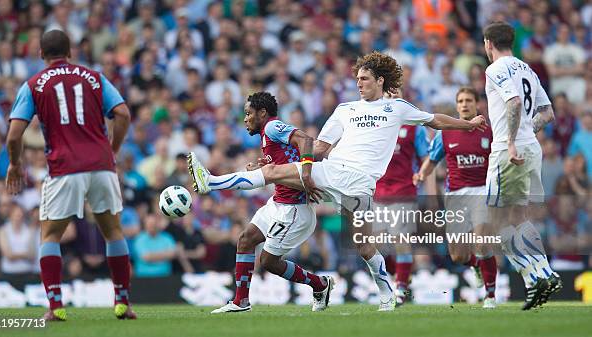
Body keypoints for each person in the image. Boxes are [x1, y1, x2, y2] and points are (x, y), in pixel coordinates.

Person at [189, 51, 486, 312]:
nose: (359, 83)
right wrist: (281, 162)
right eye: (357, 78)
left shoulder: (397, 107)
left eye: (365, 78)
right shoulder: (345, 110)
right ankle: (210, 182)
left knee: (364, 246)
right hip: (334, 170)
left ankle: (388, 295)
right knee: (273, 173)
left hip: (360, 182)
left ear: (381, 81)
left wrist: (469, 125)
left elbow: (436, 119)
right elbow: (318, 148)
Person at [5, 30, 134, 321]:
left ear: (41, 54)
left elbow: (14, 135)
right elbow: (123, 113)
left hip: (64, 168)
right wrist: (111, 148)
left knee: (50, 235)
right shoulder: (95, 77)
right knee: (113, 232)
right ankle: (123, 303)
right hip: (101, 165)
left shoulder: (33, 84)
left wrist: (14, 164)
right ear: (70, 52)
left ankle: (55, 306)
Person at [210, 92, 333, 314]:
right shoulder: (267, 136)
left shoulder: (272, 127)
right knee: (246, 239)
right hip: (277, 202)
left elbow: (305, 140)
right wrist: (261, 168)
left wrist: (306, 174)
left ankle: (320, 284)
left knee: (267, 261)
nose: (245, 119)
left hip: (293, 209)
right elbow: (285, 163)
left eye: (248, 114)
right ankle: (241, 301)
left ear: (263, 113)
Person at [482, 21, 561, 310]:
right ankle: (542, 275)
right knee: (518, 218)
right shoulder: (528, 69)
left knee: (495, 222)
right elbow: (548, 113)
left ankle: (540, 274)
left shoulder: (495, 69)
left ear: (489, 43)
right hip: (531, 147)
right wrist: (527, 133)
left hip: (508, 148)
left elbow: (514, 103)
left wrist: (513, 140)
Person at [414, 87, 498, 309]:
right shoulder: (446, 132)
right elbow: (432, 159)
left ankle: (490, 296)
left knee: (482, 243)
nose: (464, 104)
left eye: (469, 100)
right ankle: (476, 265)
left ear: (477, 103)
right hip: (455, 196)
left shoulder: (490, 130)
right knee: (458, 256)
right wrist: (422, 173)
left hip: (482, 191)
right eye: (460, 101)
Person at [374, 90, 431, 306]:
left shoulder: (413, 127)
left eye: (394, 93)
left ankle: (400, 289)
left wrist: (424, 176)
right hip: (378, 193)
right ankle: (392, 283)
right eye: (387, 94)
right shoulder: (375, 125)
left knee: (401, 241)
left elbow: (426, 158)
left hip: (404, 191)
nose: (391, 98)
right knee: (377, 244)